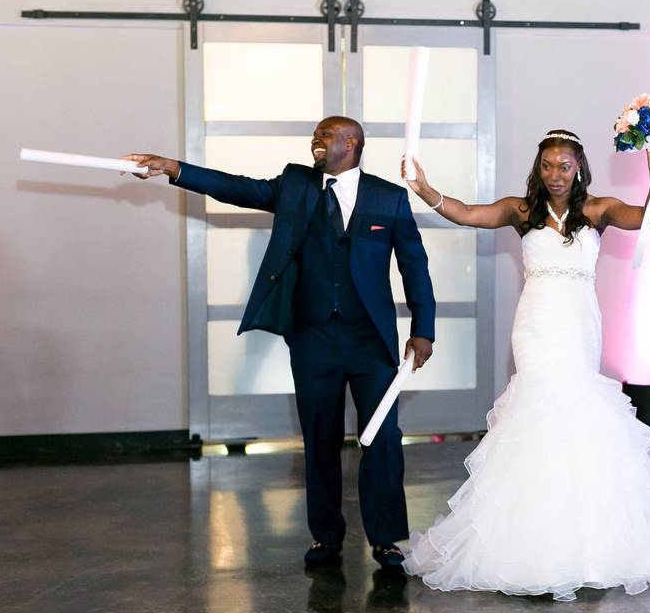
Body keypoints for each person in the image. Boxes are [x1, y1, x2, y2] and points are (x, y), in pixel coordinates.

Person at [399, 130, 650, 601]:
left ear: (578, 167)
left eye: (563, 166)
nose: (555, 174)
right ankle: (528, 537)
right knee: (537, 408)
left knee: (577, 410)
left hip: (580, 324)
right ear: (537, 168)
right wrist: (424, 187)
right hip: (535, 323)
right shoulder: (521, 211)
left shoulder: (597, 210)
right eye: (547, 166)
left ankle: (584, 535)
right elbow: (466, 213)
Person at [123, 116, 435, 570]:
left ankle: (386, 539)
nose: (316, 139)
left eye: (326, 134)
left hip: (372, 342)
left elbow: (415, 265)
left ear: (352, 143)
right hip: (312, 338)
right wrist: (175, 168)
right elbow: (236, 187)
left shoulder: (389, 198)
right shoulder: (295, 184)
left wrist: (422, 329)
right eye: (316, 134)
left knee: (384, 439)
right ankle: (326, 537)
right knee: (320, 439)